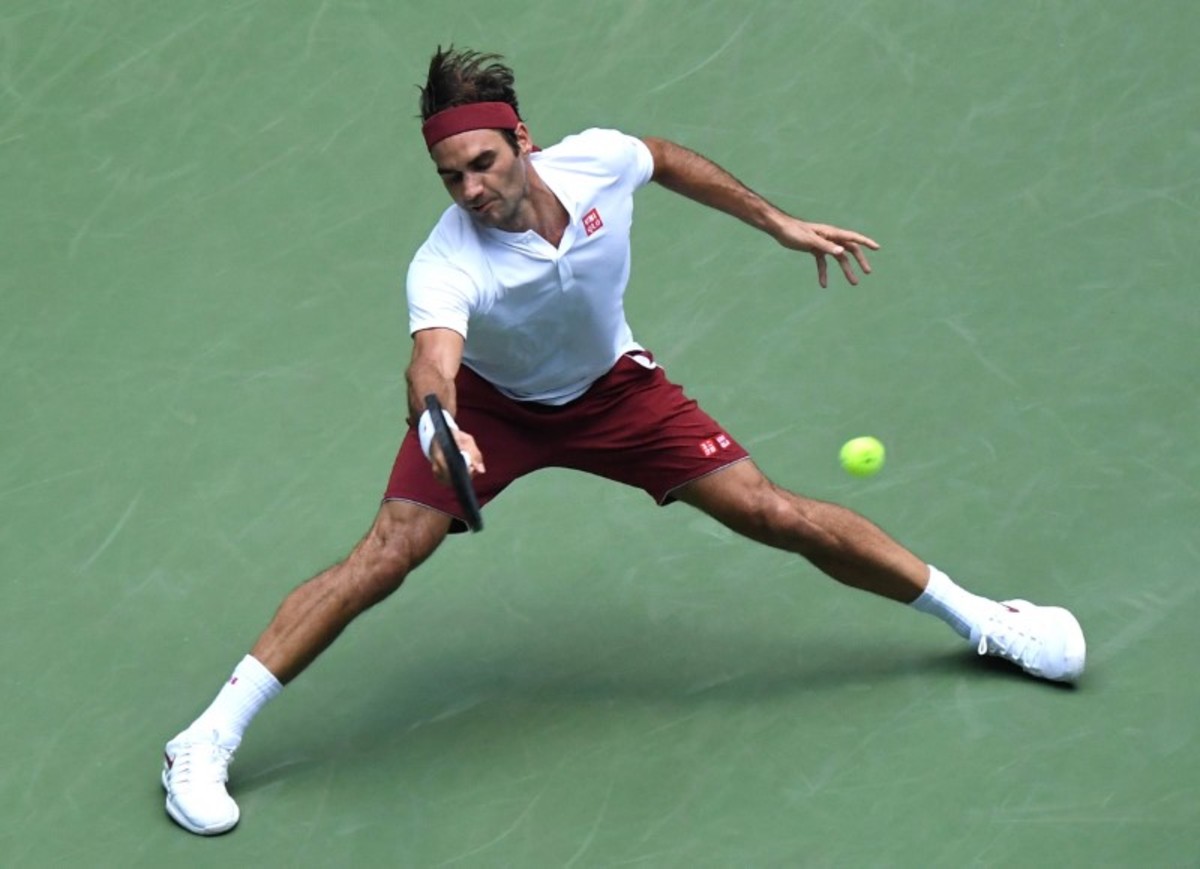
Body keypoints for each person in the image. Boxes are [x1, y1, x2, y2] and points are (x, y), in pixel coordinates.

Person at [161, 46, 1086, 836]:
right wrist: (439, 424)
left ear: (524, 141)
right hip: (490, 409)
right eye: (451, 177)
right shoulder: (445, 261)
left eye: (483, 163)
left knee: (773, 512)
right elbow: (432, 362)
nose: (471, 189)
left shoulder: (598, 161)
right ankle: (204, 739)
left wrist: (774, 221)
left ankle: (986, 621)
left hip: (616, 394)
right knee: (386, 555)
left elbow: (667, 159)